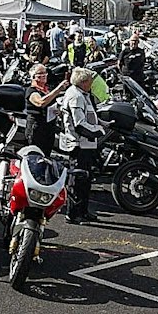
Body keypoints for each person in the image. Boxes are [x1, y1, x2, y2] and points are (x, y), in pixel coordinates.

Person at [59, 68, 106, 224]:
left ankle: (83, 211)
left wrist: (104, 124)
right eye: (90, 80)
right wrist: (98, 132)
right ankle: (73, 214)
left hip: (86, 145)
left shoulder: (82, 94)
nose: (92, 83)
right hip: (79, 144)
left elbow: (91, 116)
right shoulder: (76, 96)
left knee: (86, 179)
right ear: (83, 82)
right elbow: (80, 124)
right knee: (77, 180)